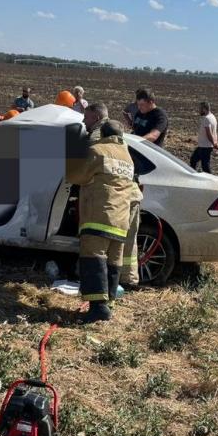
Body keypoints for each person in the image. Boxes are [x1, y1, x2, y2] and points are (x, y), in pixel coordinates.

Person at [66, 120, 137, 323]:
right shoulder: (127, 157)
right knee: (113, 262)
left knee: (93, 258)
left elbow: (75, 175)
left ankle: (97, 308)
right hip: (121, 221)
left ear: (103, 135)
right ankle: (108, 304)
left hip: (99, 216)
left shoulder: (97, 150)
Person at [189, 101, 218, 173]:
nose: (199, 110)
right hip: (203, 146)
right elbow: (215, 132)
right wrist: (215, 142)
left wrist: (214, 144)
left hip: (205, 146)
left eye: (200, 109)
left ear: (204, 109)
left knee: (205, 165)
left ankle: (210, 180)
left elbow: (209, 133)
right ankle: (194, 175)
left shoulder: (207, 119)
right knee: (194, 160)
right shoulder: (213, 117)